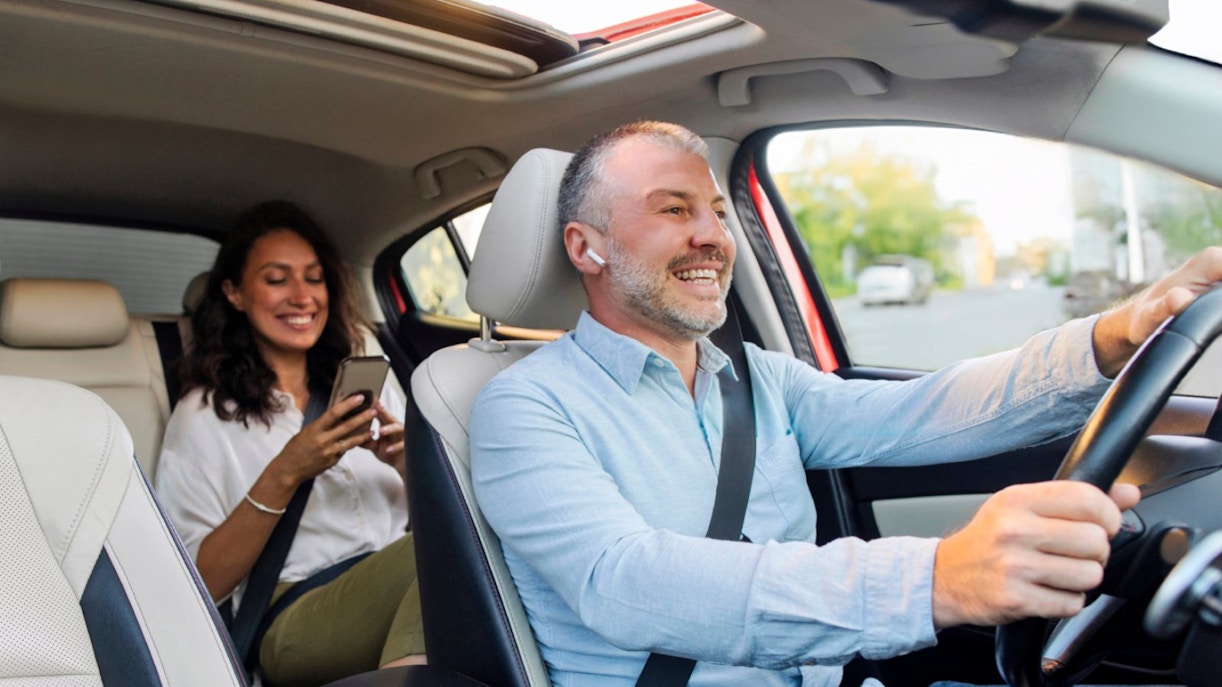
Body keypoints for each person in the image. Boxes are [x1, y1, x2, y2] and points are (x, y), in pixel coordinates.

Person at [468, 121, 1222, 686]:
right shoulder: (524, 408)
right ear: (584, 247)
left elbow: (925, 410)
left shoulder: (757, 377)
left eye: (717, 212)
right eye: (673, 209)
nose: (711, 236)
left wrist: (1114, 336)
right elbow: (627, 582)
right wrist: (940, 576)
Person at [155, 201, 425, 687]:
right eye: (277, 279)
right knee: (440, 553)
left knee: (460, 545)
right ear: (235, 293)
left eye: (314, 278)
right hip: (293, 617)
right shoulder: (204, 416)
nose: (302, 296)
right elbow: (195, 584)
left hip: (398, 586)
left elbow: (421, 514)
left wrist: (408, 463)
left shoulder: (363, 377)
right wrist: (286, 472)